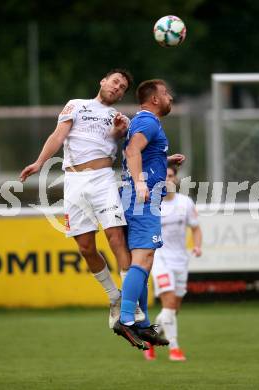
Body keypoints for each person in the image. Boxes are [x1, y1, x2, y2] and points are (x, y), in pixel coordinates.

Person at [20, 69, 144, 328]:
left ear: (121, 95)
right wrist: (39, 162)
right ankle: (114, 298)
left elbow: (130, 150)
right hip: (74, 182)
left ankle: (132, 304)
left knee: (116, 238)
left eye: (122, 88)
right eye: (115, 82)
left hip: (103, 179)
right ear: (103, 81)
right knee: (86, 247)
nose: (117, 87)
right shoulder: (76, 105)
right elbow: (58, 136)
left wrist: (118, 133)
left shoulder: (120, 119)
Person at [113, 79, 185, 350]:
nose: (170, 97)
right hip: (141, 197)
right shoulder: (148, 121)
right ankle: (127, 319)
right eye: (166, 93)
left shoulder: (145, 122)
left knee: (143, 262)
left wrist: (164, 161)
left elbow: (138, 152)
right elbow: (131, 150)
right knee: (143, 261)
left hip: (138, 197)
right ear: (154, 99)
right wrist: (141, 182)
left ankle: (141, 325)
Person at [143, 163, 202, 361]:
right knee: (168, 304)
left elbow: (195, 228)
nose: (167, 179)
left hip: (180, 261)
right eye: (163, 176)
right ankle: (174, 348)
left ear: (175, 178)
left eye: (170, 175)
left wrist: (197, 246)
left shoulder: (185, 203)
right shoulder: (151, 203)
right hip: (159, 259)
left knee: (173, 309)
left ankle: (150, 337)